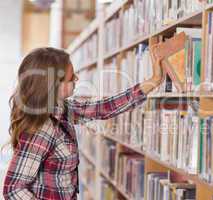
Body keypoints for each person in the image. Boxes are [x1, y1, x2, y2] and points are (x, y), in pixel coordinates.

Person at [3, 47, 163, 199]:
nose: (77, 79)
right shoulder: (42, 128)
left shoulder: (62, 109)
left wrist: (154, 81)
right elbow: (13, 189)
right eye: (71, 77)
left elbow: (103, 108)